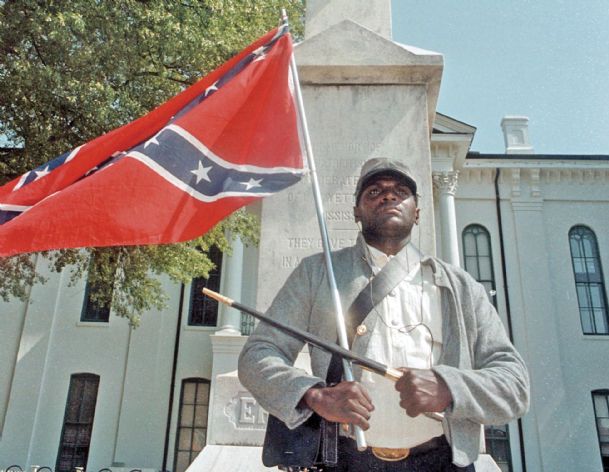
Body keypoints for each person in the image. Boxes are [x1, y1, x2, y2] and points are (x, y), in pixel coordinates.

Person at [238, 157, 530, 471]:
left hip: (443, 462)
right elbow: (257, 354)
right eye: (374, 191)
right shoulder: (317, 273)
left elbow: (514, 385)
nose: (388, 196)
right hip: (346, 461)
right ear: (356, 211)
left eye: (401, 191)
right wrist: (314, 394)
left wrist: (449, 387)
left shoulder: (460, 287)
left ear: (417, 211)